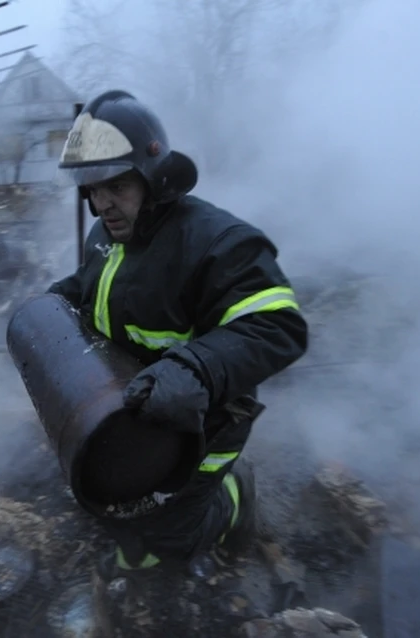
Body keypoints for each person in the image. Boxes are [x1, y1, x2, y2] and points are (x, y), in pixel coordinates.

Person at [47, 90, 309, 573]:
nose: (101, 203)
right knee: (122, 507)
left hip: (206, 420)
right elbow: (97, 285)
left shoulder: (217, 244)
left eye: (116, 185)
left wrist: (196, 367)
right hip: (138, 412)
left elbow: (279, 327)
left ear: (152, 177)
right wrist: (60, 297)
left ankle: (236, 496)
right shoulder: (108, 234)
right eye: (91, 188)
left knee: (171, 539)